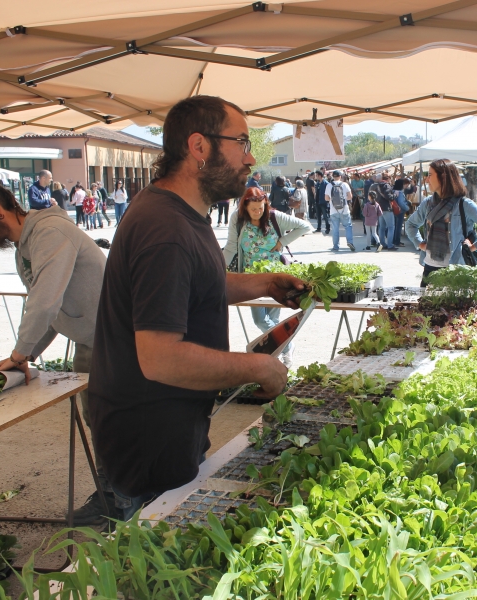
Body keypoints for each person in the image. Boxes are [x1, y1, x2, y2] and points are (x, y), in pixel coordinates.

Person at [88, 95, 305, 519]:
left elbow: (199, 283)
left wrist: (264, 282)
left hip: (171, 424)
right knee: (157, 573)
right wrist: (255, 367)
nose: (250, 156)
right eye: (241, 142)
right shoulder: (164, 228)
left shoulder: (184, 212)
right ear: (199, 147)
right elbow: (160, 359)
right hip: (149, 434)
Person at [0, 179, 117, 524]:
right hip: (92, 341)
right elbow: (52, 315)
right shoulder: (23, 249)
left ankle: (124, 499)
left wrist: (17, 355)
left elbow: (44, 303)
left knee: (113, 419)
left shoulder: (50, 232)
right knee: (97, 419)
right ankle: (112, 493)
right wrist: (25, 356)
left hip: (116, 339)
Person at [223, 187, 311, 367]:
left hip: (276, 277)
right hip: (251, 279)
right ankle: (288, 347)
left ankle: (276, 358)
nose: (257, 212)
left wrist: (282, 242)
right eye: (253, 209)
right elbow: (231, 246)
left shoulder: (274, 217)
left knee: (273, 319)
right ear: (245, 208)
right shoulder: (237, 219)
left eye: (261, 208)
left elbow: (306, 226)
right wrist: (219, 268)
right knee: (260, 319)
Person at [405, 159, 477, 285]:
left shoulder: (464, 204)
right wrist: (420, 244)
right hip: (430, 268)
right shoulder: (428, 203)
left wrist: (475, 247)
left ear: (443, 177)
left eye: (430, 175)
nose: (427, 180)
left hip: (456, 270)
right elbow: (410, 225)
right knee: (427, 303)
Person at [324, 170, 356, 252]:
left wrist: (333, 200)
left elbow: (326, 198)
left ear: (333, 177)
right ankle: (350, 242)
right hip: (344, 209)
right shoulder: (344, 184)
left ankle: (336, 246)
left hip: (333, 210)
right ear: (340, 176)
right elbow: (350, 196)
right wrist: (343, 199)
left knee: (335, 229)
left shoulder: (329, 185)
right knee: (348, 226)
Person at [371, 173, 398, 250]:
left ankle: (382, 243)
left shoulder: (376, 185)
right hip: (387, 208)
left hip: (379, 208)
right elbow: (389, 197)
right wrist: (395, 195)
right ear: (388, 178)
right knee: (391, 227)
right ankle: (390, 245)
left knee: (381, 227)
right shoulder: (386, 185)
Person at [392, 176, 412, 247]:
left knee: (394, 226)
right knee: (398, 227)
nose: (405, 185)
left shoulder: (393, 191)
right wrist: (407, 208)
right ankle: (397, 241)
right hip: (400, 211)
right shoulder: (400, 193)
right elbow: (401, 203)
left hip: (394, 210)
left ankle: (394, 240)